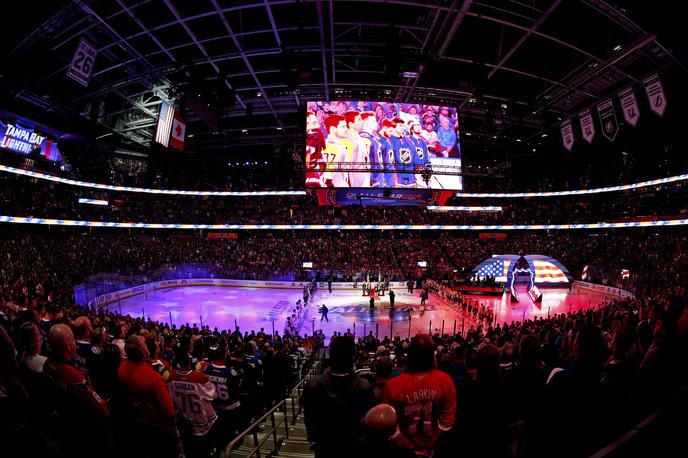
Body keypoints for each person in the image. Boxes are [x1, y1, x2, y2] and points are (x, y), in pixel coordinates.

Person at [384, 334, 456, 456]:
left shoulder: (393, 385)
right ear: (432, 356)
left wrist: (410, 447)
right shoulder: (445, 381)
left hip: (403, 450)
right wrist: (430, 443)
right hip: (432, 449)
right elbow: (447, 421)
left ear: (410, 356)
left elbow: (388, 424)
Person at [303, 336, 375, 457]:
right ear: (352, 358)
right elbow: (368, 421)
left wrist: (315, 436)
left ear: (330, 356)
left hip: (324, 447)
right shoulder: (364, 386)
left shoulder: (313, 385)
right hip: (354, 447)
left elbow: (309, 419)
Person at [116, 335, 183, 458]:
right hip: (156, 429)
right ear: (144, 352)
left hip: (136, 424)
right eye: (145, 345)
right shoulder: (153, 377)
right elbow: (169, 412)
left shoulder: (121, 368)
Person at [168, 350, 218, 458]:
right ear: (190, 362)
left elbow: (171, 397)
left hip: (185, 420)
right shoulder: (200, 378)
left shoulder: (172, 377)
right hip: (202, 420)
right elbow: (211, 395)